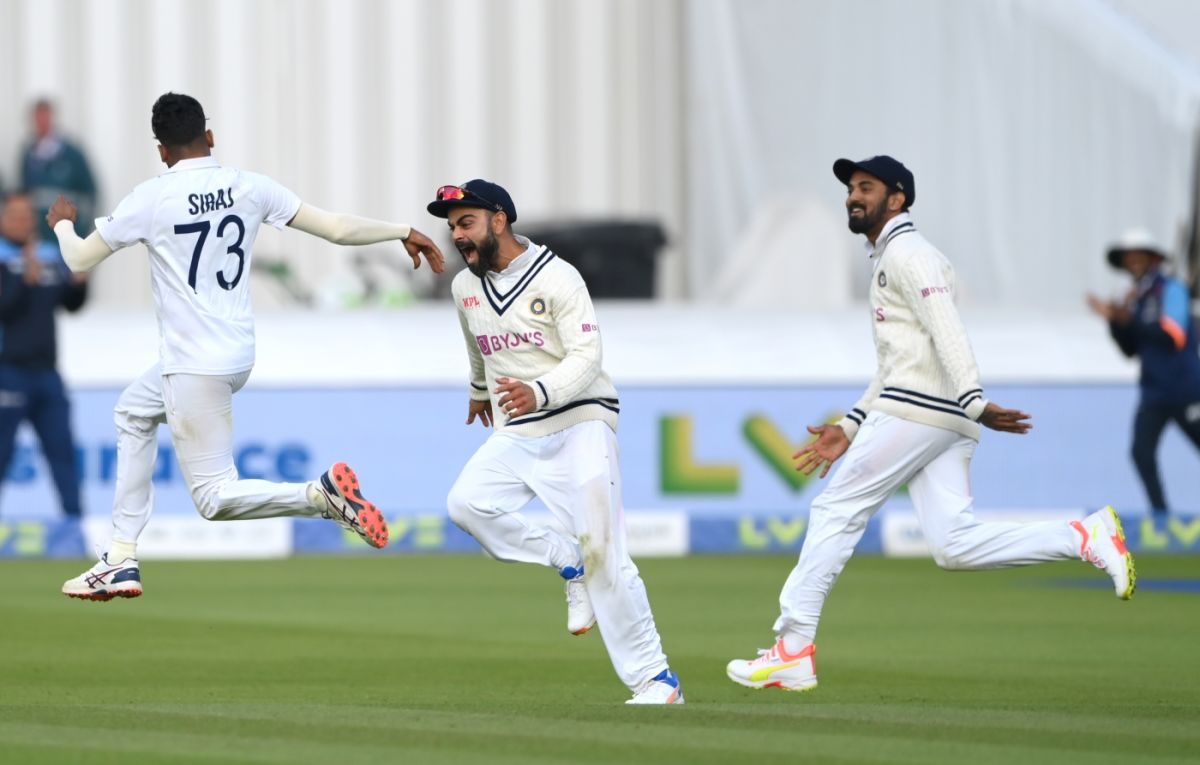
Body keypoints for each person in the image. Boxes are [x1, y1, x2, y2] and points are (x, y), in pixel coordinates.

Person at [726, 155, 1136, 694]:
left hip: (921, 408)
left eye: (866, 187)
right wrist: (849, 426)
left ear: (897, 199)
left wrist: (974, 399)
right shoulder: (889, 257)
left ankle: (793, 647)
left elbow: (948, 328)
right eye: (850, 187)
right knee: (952, 545)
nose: (853, 195)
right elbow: (897, 364)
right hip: (934, 412)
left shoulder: (908, 253)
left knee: (836, 509)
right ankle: (1082, 535)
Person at [49, 92, 446, 601]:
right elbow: (335, 228)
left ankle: (319, 496)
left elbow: (80, 259)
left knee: (214, 500)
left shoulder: (151, 197)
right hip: (236, 354)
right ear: (209, 137)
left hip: (193, 363)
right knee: (132, 412)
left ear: (161, 151)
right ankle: (119, 555)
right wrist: (401, 230)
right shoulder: (248, 186)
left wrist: (61, 221)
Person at [432, 180, 683, 705]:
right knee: (467, 504)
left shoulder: (559, 276)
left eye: (467, 223)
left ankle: (656, 682)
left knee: (606, 553)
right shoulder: (465, 287)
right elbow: (476, 343)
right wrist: (480, 389)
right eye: (453, 226)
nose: (458, 235)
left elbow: (587, 355)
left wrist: (538, 390)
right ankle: (562, 557)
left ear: (499, 220)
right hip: (519, 427)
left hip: (581, 421)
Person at [1087, 229, 1200, 516]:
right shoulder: (1136, 298)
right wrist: (1114, 323)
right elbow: (1131, 350)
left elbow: (1172, 336)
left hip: (1186, 389)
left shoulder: (1171, 289)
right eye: (1129, 258)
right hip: (1154, 394)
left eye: (1139, 256)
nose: (1133, 262)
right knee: (1141, 454)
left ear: (1153, 259)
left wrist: (1129, 319)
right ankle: (1162, 519)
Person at [0, 191, 89, 517]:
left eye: (27, 215)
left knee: (62, 452)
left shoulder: (49, 255)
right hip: (7, 371)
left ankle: (75, 529)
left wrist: (79, 283)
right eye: (16, 216)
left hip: (47, 373)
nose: (23, 222)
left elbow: (70, 305)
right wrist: (24, 281)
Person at [20, 98, 98, 247]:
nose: (41, 123)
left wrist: (82, 234)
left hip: (67, 237)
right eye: (37, 118)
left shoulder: (72, 154)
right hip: (38, 240)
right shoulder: (28, 155)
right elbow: (24, 194)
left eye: (44, 117)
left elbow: (89, 195)